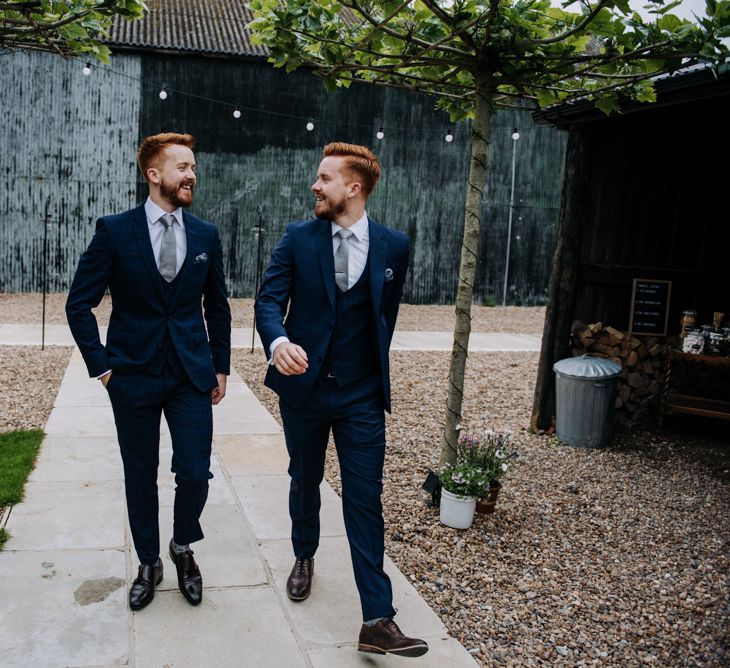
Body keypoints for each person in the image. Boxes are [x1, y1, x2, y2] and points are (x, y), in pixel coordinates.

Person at [255, 142, 427, 657]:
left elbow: (383, 317)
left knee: (364, 499)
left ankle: (377, 618)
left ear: (353, 187)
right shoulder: (297, 237)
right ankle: (304, 554)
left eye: (325, 178)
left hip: (361, 397)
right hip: (304, 392)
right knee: (304, 479)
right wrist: (279, 342)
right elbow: (267, 300)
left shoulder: (395, 246)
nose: (316, 185)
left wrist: (365, 371)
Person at [66, 132, 231, 611]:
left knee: (196, 472)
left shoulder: (205, 235)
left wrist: (220, 367)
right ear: (153, 174)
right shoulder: (115, 231)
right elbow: (79, 305)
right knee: (139, 473)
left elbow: (217, 308)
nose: (192, 174)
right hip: (131, 375)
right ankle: (148, 560)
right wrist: (103, 368)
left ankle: (182, 546)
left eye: (194, 167)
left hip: (190, 375)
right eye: (183, 166)